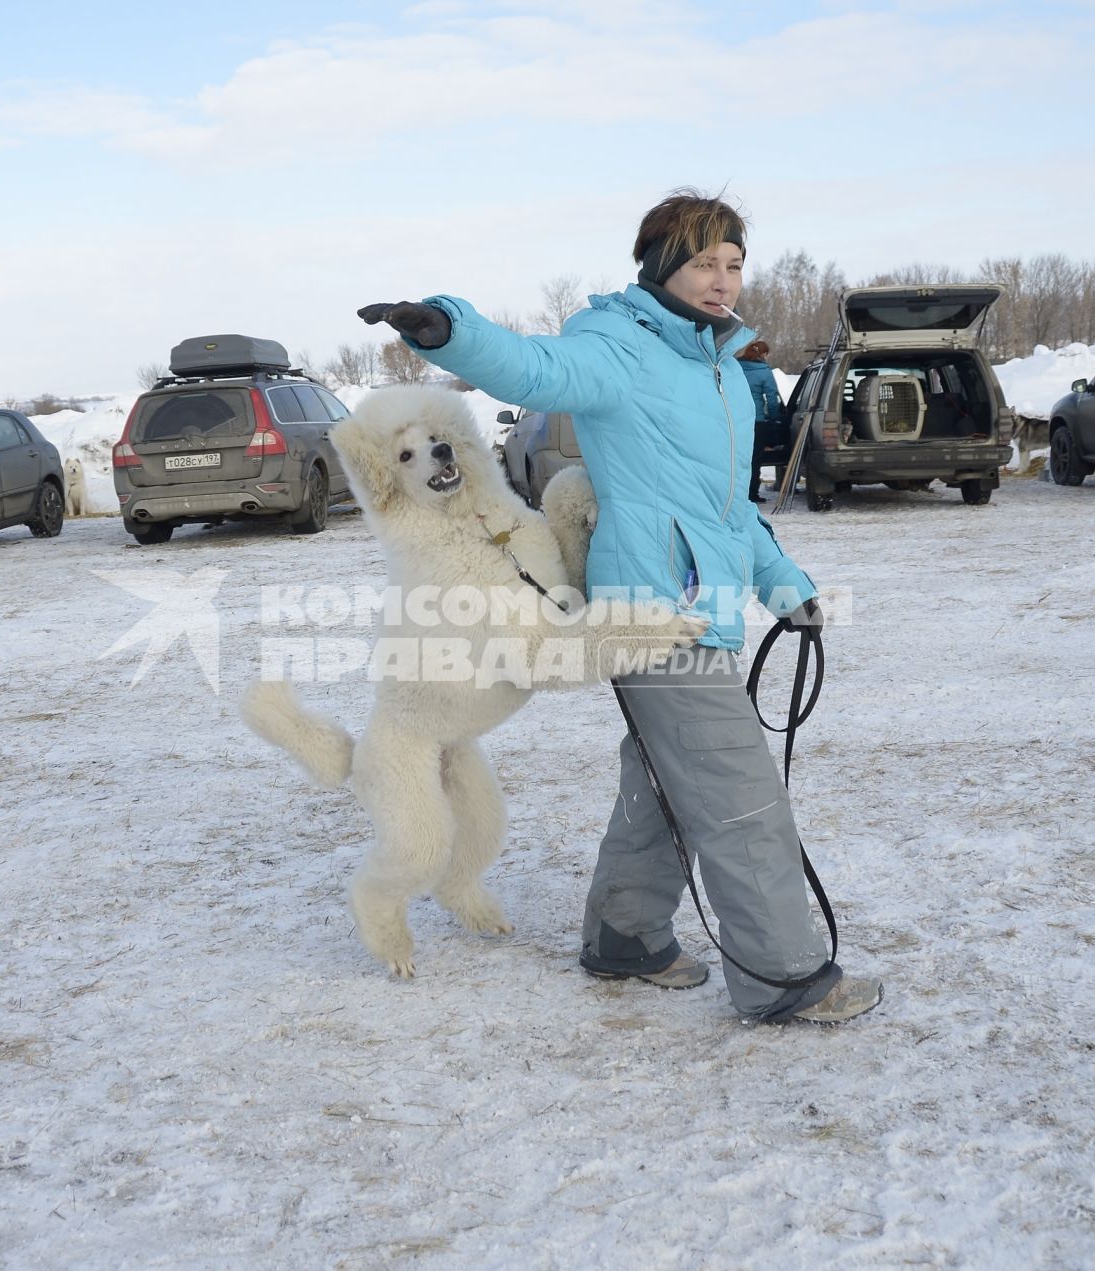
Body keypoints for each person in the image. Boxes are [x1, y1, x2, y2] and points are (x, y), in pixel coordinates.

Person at [359, 189, 882, 1024]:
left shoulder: (717, 366)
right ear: (662, 267)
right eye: (706, 263)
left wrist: (785, 584)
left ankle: (625, 938)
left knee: (667, 782)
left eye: (735, 264)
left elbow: (723, 508)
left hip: (698, 608)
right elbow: (535, 368)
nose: (724, 281)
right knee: (737, 793)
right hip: (649, 613)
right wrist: (448, 328)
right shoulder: (617, 344)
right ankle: (787, 977)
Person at [737, 338, 783, 501]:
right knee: (755, 458)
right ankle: (752, 494)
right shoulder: (764, 371)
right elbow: (771, 397)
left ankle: (735, 493)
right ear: (763, 354)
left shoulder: (735, 367)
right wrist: (774, 417)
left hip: (734, 420)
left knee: (736, 457)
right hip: (756, 420)